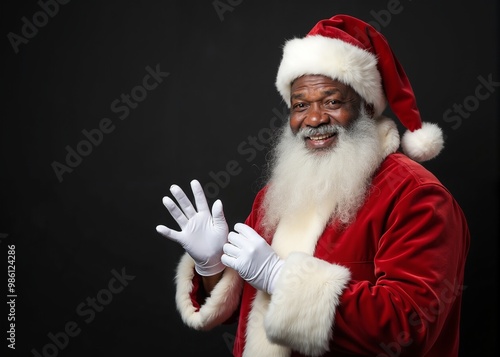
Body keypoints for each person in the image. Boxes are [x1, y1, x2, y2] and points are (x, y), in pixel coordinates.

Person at [156, 14, 470, 357]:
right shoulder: (279, 194)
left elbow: (409, 328)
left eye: (332, 101)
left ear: (366, 106)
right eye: (300, 105)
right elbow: (249, 310)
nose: (315, 118)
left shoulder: (418, 196)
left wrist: (282, 279)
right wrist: (213, 267)